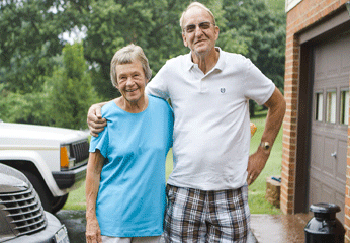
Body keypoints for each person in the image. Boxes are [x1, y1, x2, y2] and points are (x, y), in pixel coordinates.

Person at [87, 2, 286, 242]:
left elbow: (278, 103)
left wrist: (262, 153)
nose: (198, 32)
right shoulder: (173, 70)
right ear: (184, 38)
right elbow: (136, 92)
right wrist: (99, 107)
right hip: (184, 192)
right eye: (190, 28)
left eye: (204, 26)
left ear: (216, 31)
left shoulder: (240, 67)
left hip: (230, 191)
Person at [85, 44, 174, 243]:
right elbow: (93, 171)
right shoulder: (104, 117)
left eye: (135, 75)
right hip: (112, 225)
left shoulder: (164, 111)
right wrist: (90, 219)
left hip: (152, 224)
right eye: (122, 78)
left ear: (147, 77)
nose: (129, 83)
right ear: (116, 83)